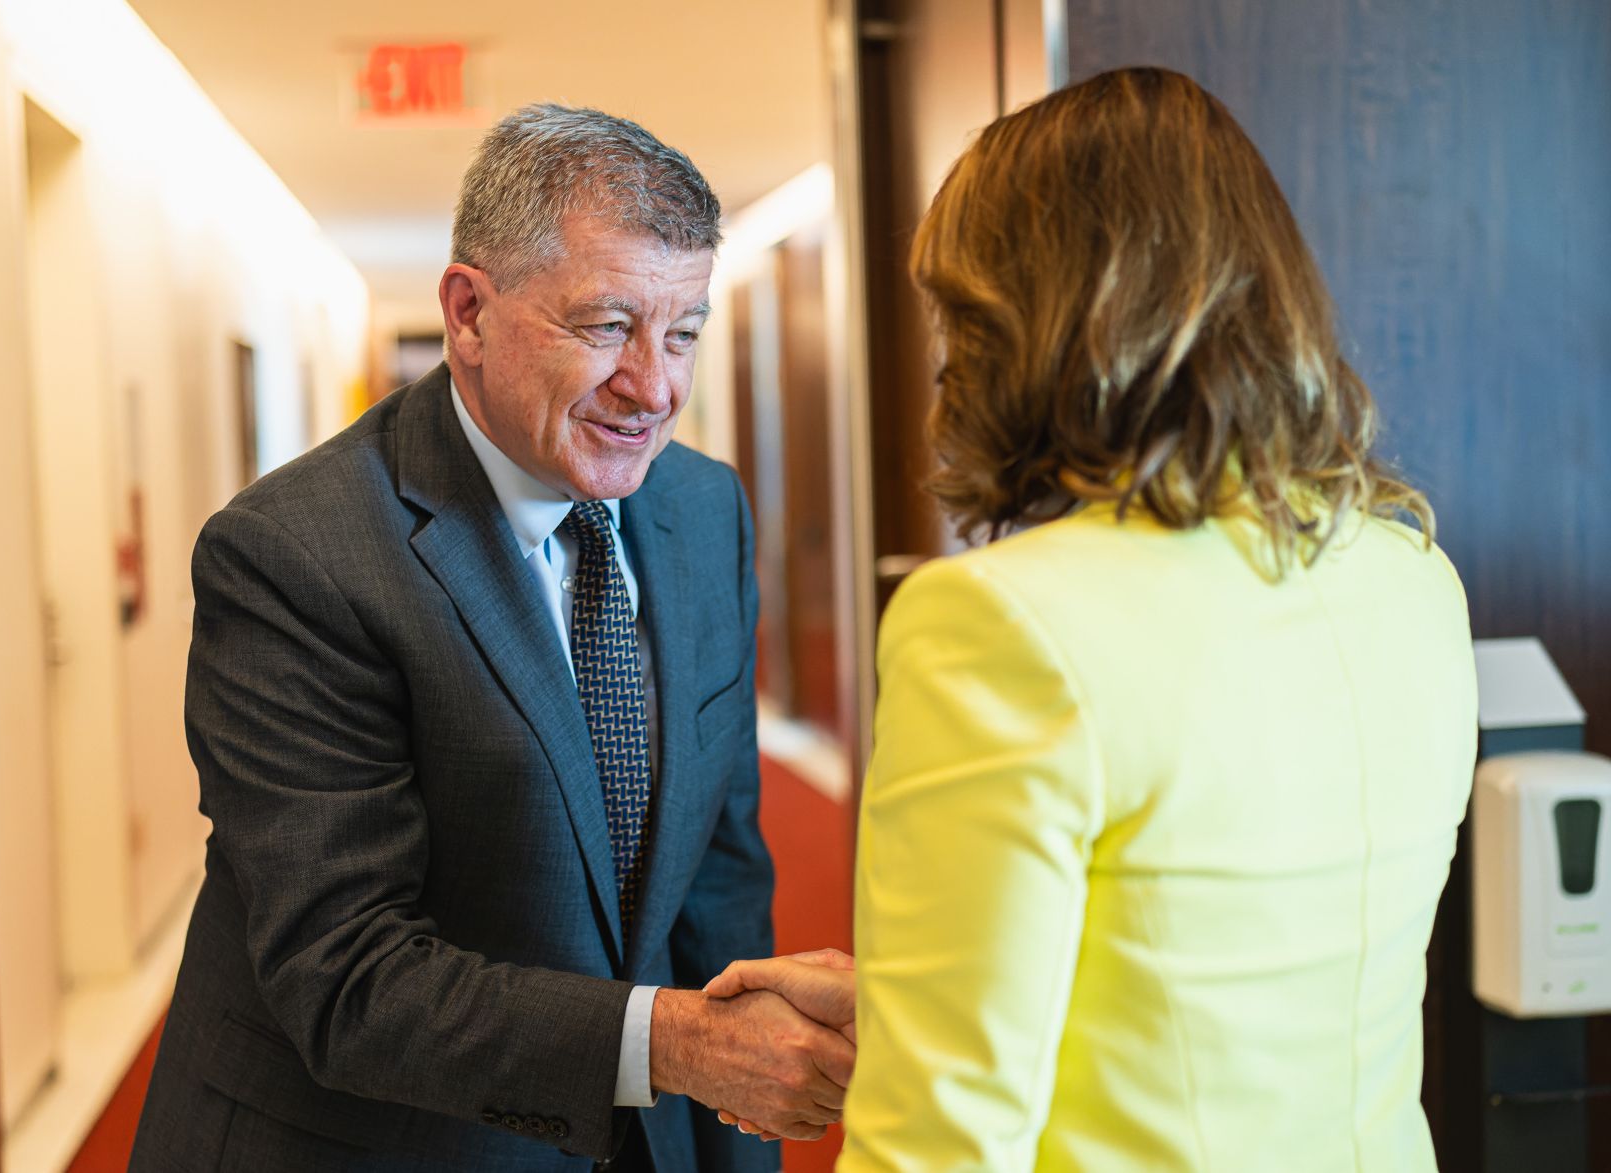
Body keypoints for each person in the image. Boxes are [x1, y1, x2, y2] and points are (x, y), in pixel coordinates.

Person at [721, 67, 1477, 1170]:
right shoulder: (1407, 578)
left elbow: (941, 1144)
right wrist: (908, 998)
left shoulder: (1000, 625)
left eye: (954, 315)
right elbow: (1228, 985)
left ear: (1016, 322)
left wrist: (916, 1051)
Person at [131, 104, 853, 1173]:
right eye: (606, 326)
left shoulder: (702, 510)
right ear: (468, 313)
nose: (653, 387)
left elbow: (718, 882)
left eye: (684, 331)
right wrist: (676, 1047)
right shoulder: (295, 554)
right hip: (370, 1144)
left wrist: (732, 1138)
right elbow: (346, 975)